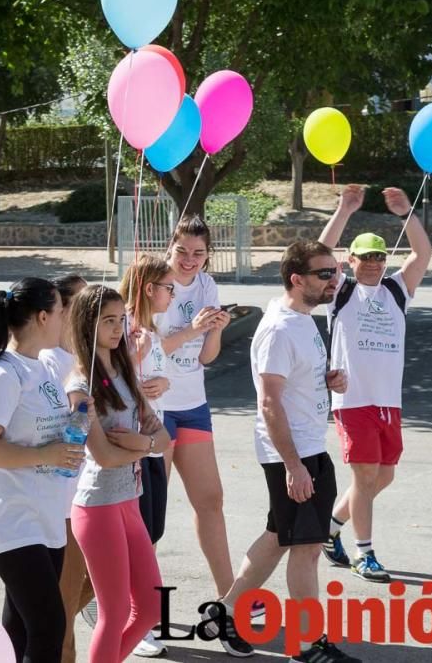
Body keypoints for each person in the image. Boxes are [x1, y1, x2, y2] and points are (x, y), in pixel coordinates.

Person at [205, 241, 358, 662]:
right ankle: (308, 646)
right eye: (324, 273)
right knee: (307, 548)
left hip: (306, 447)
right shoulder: (278, 328)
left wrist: (324, 379)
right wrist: (294, 466)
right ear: (297, 279)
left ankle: (225, 612)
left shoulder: (303, 319)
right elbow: (269, 402)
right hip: (293, 454)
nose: (334, 280)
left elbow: (289, 384)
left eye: (334, 271)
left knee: (279, 537)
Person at [0, 278, 86, 662]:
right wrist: (47, 455)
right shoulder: (2, 375)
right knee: (48, 628)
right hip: (14, 519)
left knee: (17, 632)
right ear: (44, 316)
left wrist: (78, 418)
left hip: (46, 514)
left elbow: (44, 430)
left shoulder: (44, 368)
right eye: (63, 310)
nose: (67, 317)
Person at [317, 184, 432, 582]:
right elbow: (317, 253)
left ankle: (328, 529)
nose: (373, 263)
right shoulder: (341, 292)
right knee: (364, 477)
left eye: (379, 257)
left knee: (383, 476)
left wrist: (405, 213)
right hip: (353, 401)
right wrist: (345, 210)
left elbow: (423, 254)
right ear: (349, 261)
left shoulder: (396, 290)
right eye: (365, 257)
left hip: (388, 402)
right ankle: (365, 555)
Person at [66, 285, 170, 663]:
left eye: (120, 320)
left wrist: (141, 443)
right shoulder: (80, 386)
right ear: (86, 325)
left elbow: (163, 437)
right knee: (113, 614)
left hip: (130, 499)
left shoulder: (125, 367)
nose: (116, 328)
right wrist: (145, 445)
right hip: (98, 506)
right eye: (107, 321)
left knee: (151, 607)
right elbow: (105, 457)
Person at [155, 215, 234, 598]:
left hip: (193, 403)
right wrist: (192, 329)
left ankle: (229, 596)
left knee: (211, 500)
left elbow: (206, 358)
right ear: (170, 246)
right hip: (154, 408)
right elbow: (144, 351)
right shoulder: (152, 282)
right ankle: (141, 605)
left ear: (208, 255)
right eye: (182, 250)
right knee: (151, 512)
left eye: (198, 253)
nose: (189, 260)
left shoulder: (207, 285)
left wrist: (215, 327)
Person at [119, 255, 176, 658]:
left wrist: (163, 379)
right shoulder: (122, 327)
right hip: (129, 448)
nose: (173, 293)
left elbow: (154, 381)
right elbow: (108, 380)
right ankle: (130, 619)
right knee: (135, 537)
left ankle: (141, 613)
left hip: (153, 444)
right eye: (167, 287)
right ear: (148, 288)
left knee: (151, 531)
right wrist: (136, 362)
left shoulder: (151, 331)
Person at [44, 274, 96, 663]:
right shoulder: (51, 362)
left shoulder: (86, 356)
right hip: (64, 500)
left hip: (93, 492)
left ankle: (42, 632)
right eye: (81, 302)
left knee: (101, 582)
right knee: (60, 610)